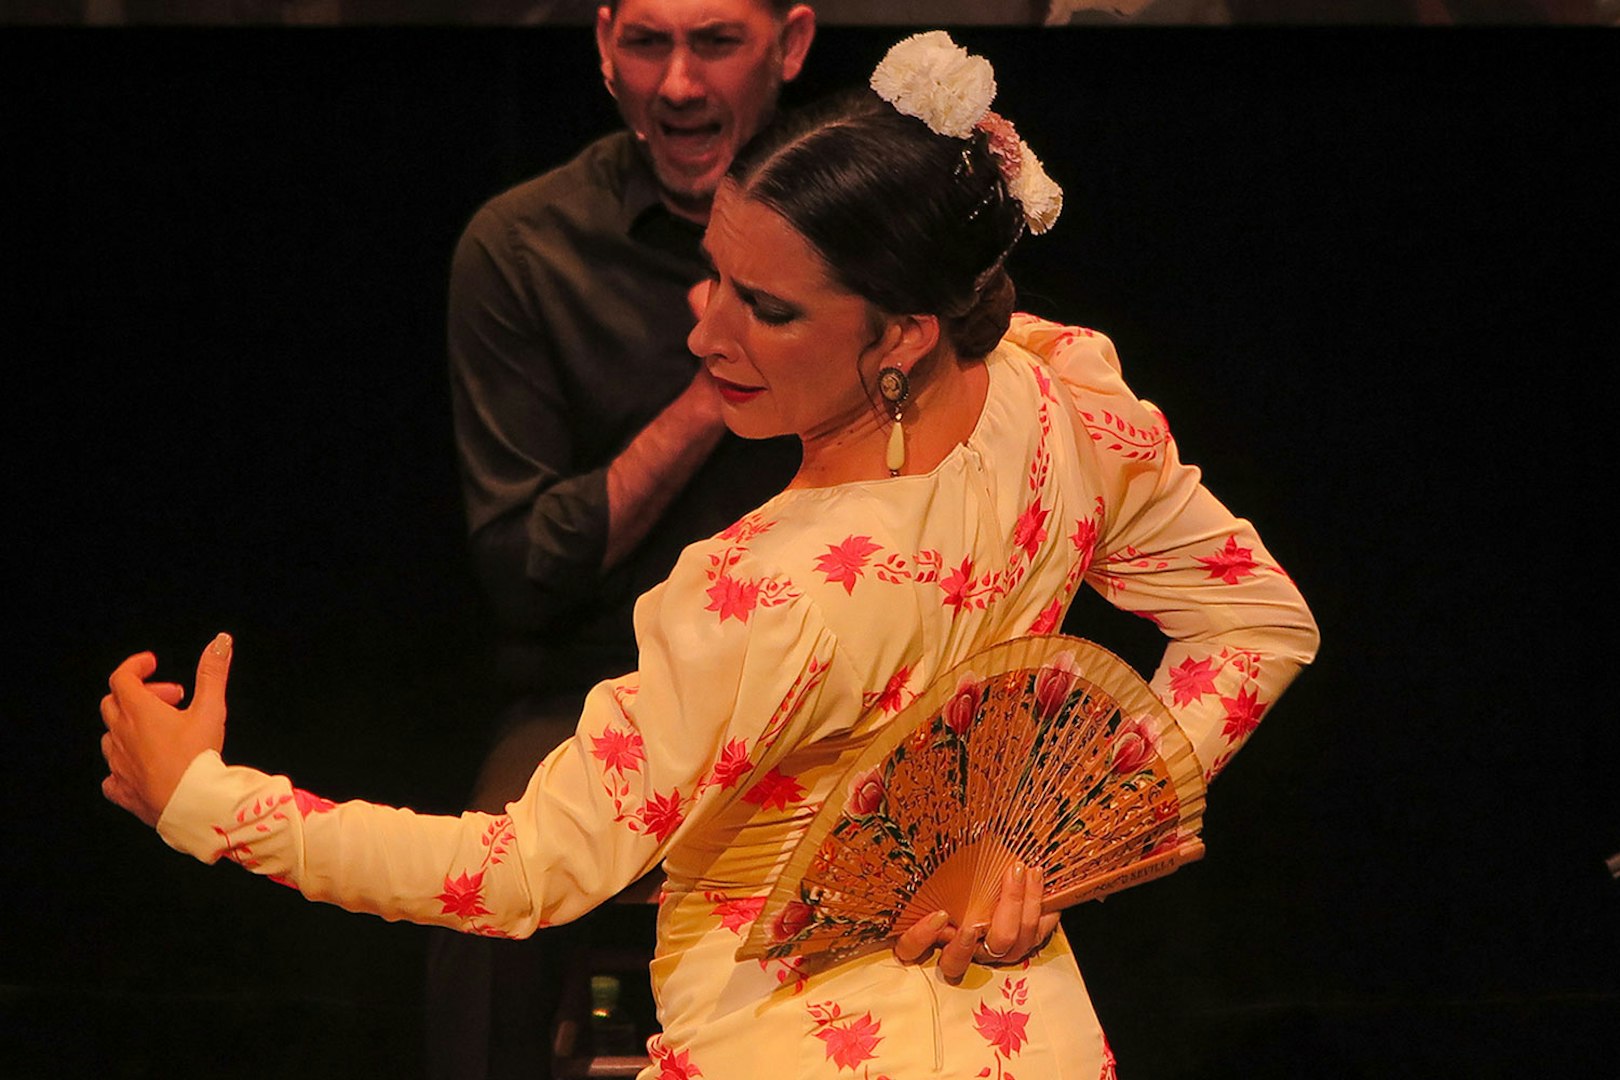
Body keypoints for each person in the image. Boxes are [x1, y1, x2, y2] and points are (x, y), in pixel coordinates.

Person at [101, 31, 1319, 1079]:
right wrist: (1029, 845)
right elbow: (1258, 624)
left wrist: (208, 803)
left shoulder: (761, 596)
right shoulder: (1064, 402)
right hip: (1026, 1037)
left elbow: (525, 872)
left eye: (767, 309)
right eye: (716, 280)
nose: (708, 326)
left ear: (900, 332)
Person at [438, 1, 812, 1073]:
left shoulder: (856, 223)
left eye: (718, 42)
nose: (681, 84)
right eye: (649, 43)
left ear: (788, 44)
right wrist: (715, 380)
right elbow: (522, 571)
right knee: (488, 894)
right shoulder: (524, 245)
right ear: (604, 46)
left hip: (832, 673)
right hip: (602, 687)